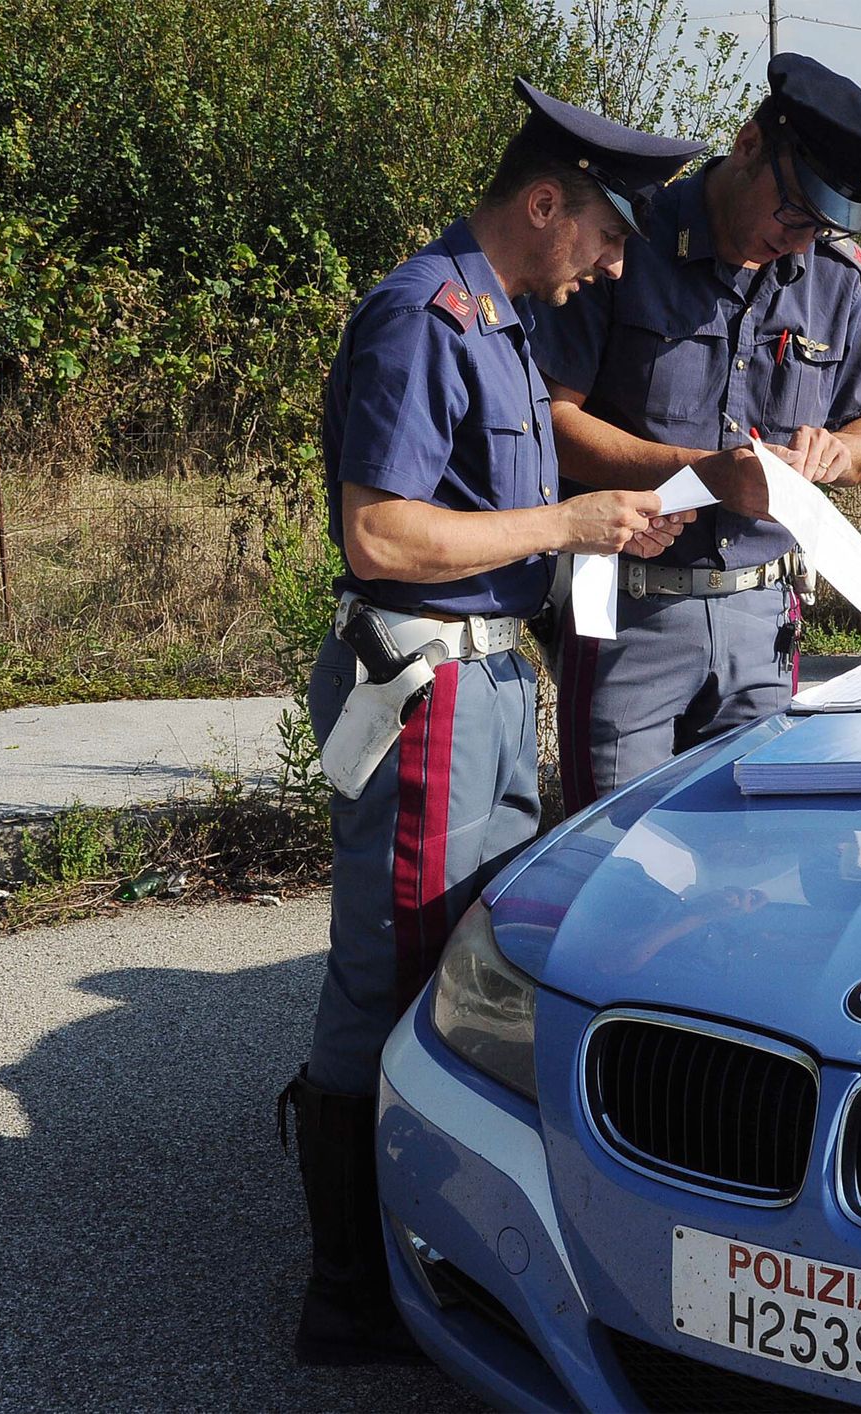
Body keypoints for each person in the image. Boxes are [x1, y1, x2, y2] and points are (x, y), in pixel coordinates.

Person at [277, 81, 704, 1367]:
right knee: (398, 977)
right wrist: (568, 525)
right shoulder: (425, 314)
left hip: (491, 676)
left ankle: (440, 1249)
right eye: (609, 239)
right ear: (544, 202)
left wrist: (612, 516)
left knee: (473, 975)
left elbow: (502, 511)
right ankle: (349, 1295)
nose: (616, 267)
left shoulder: (507, 324)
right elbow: (383, 532)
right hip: (431, 686)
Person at [536, 53, 861, 812]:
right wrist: (705, 472)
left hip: (764, 619)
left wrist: (839, 453)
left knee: (749, 857)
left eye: (823, 225)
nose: (802, 241)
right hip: (627, 608)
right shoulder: (627, 242)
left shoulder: (835, 275)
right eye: (794, 213)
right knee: (614, 851)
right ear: (749, 145)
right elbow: (550, 421)